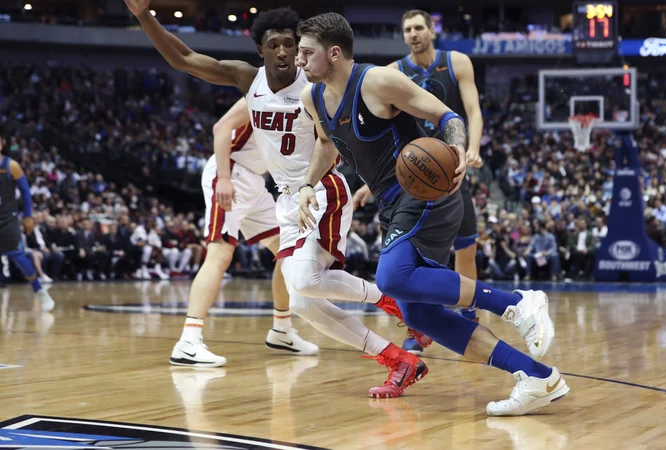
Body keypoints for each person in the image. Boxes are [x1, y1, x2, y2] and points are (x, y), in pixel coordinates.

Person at [125, 1, 430, 397]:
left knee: (303, 280)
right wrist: (144, 16)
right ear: (261, 51)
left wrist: (310, 184)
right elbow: (183, 58)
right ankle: (397, 359)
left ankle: (398, 304)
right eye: (274, 45)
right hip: (285, 200)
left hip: (320, 191)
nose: (284, 51)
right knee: (303, 302)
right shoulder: (246, 79)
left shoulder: (315, 88)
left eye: (291, 44)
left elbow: (330, 145)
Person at [295, 12, 569, 416]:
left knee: (392, 277)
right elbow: (326, 144)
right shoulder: (312, 97)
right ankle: (536, 377)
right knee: (417, 311)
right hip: (392, 204)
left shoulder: (377, 81)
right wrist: (306, 184)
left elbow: (448, 116)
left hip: (425, 189)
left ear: (333, 53)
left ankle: (518, 302)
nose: (299, 60)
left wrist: (456, 147)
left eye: (305, 52)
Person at [352, 9, 484, 354]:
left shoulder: (457, 62)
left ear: (431, 30)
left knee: (466, 246)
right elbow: (383, 136)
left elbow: (472, 110)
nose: (413, 34)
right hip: (410, 173)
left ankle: (468, 314)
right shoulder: (394, 72)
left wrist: (472, 149)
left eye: (418, 28)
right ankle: (418, 326)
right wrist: (372, 183)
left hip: (448, 163)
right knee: (411, 256)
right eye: (407, 29)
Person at [170, 100, 318, 368]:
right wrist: (224, 178)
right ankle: (188, 341)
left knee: (288, 252)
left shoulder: (305, 97)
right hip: (230, 172)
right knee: (220, 254)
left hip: (255, 182)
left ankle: (281, 330)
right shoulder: (262, 89)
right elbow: (221, 127)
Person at [0, 138, 55, 312]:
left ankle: (39, 290)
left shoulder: (11, 165)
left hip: (8, 218)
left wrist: (28, 216)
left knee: (18, 256)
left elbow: (25, 191)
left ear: (1, 144)